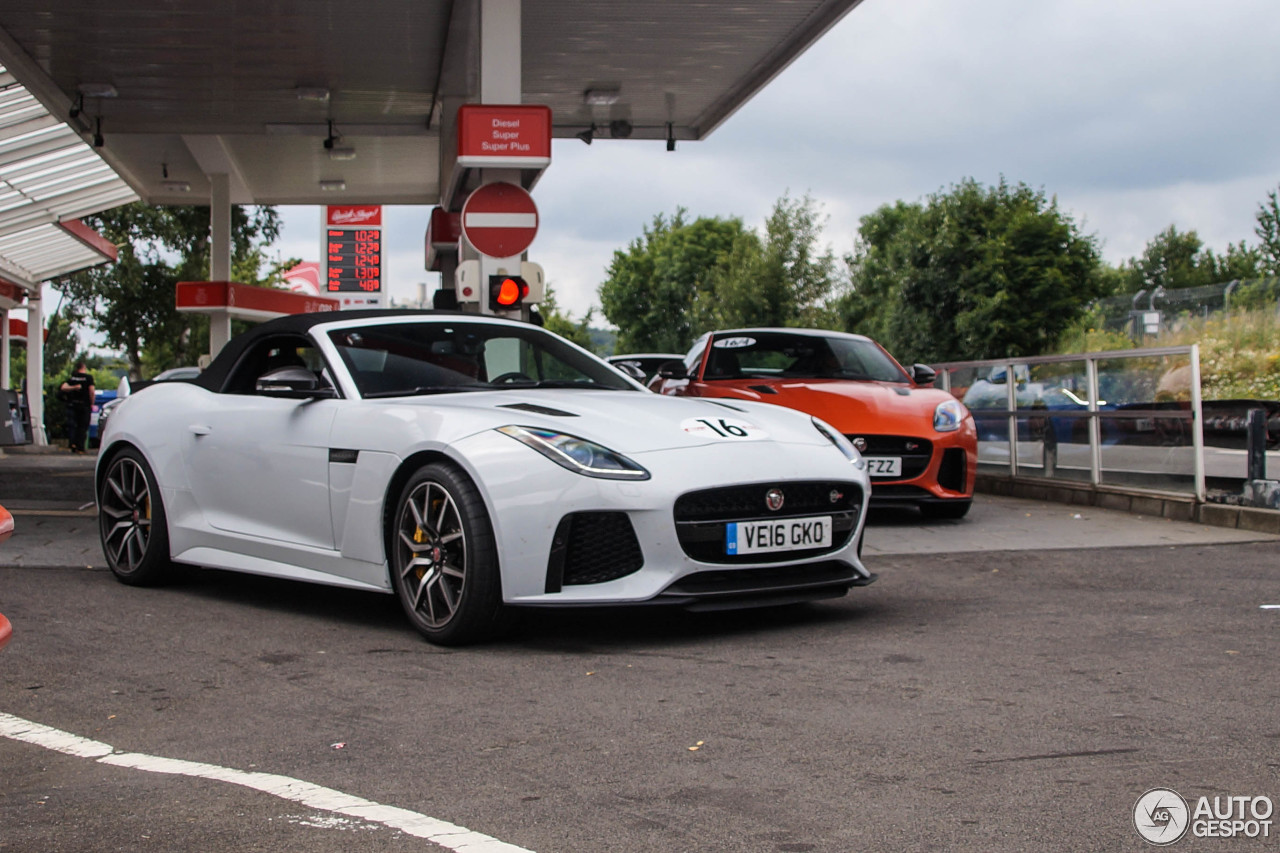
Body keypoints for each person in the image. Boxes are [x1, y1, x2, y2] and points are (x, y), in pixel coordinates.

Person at [59, 361, 94, 453]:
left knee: (73, 425)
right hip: (84, 405)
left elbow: (63, 387)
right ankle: (80, 447)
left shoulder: (72, 378)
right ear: (83, 367)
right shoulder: (88, 378)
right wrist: (92, 403)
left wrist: (73, 387)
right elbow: (92, 391)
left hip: (73, 405)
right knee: (83, 426)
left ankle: (73, 444)